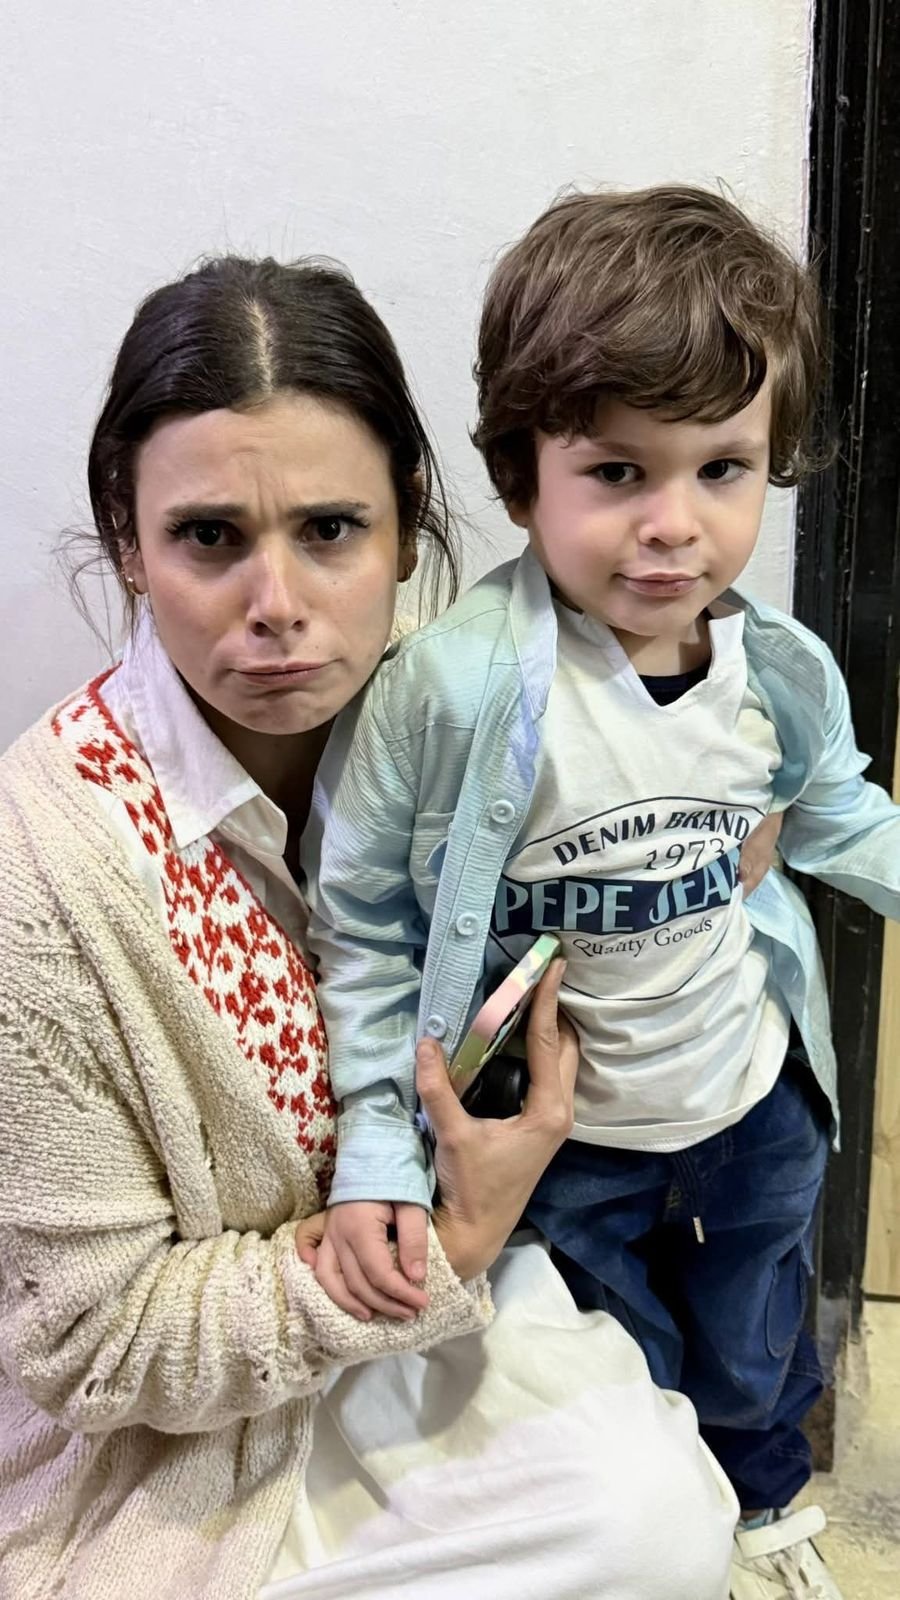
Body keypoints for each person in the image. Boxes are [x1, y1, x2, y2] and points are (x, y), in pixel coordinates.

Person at [0, 254, 751, 1600]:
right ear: (127, 542)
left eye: (332, 530)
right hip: (189, 1408)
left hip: (436, 1295)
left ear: (408, 528)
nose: (277, 606)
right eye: (209, 537)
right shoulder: (44, 883)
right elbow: (94, 1346)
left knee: (661, 1525)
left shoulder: (476, 731)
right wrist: (449, 1238)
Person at [303, 188, 900, 1600]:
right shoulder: (449, 691)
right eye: (619, 471)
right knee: (617, 1355)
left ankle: (763, 1495)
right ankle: (676, 1512)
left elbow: (834, 813)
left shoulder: (780, 673)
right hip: (565, 1145)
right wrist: (379, 1147)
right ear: (523, 478)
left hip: (749, 1094)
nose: (674, 526)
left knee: (758, 1334)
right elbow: (367, 925)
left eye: (723, 468)